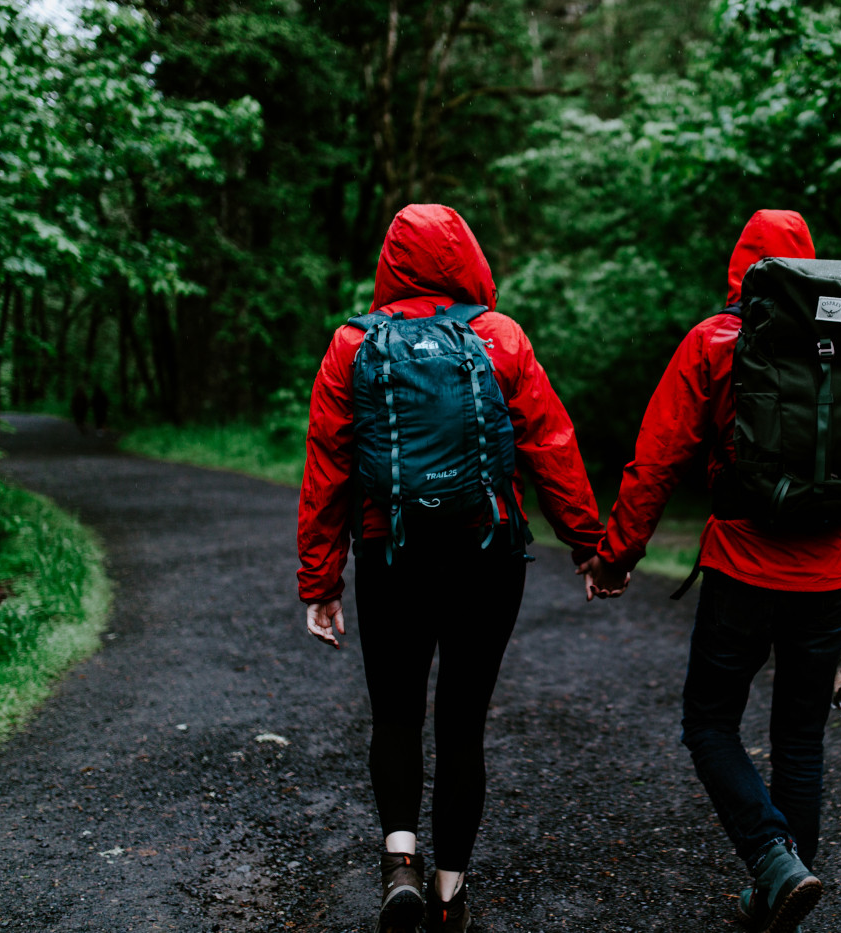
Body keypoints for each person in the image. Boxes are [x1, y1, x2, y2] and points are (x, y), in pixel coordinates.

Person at [580, 210, 841, 933]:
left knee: (710, 721)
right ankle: (785, 879)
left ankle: (773, 862)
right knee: (799, 738)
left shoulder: (716, 341)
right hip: (829, 573)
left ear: (742, 270)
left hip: (743, 570)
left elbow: (656, 459)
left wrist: (615, 554)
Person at [297, 204, 604, 933]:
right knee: (463, 723)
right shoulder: (499, 338)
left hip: (389, 553)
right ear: (466, 255)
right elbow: (551, 445)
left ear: (390, 262)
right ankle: (447, 892)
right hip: (487, 556)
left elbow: (328, 470)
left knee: (396, 712)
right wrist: (592, 543)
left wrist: (321, 582)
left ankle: (398, 858)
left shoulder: (351, 345)